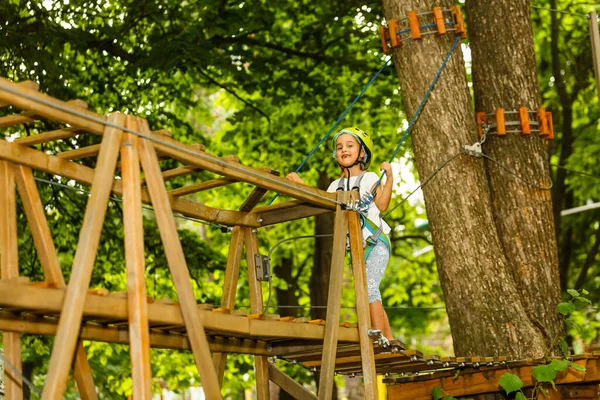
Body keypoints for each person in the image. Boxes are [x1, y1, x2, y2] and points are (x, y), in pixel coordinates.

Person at [287, 127, 394, 340]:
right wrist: (300, 186)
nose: (343, 149)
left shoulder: (369, 178)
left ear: (362, 153)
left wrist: (389, 177)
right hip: (355, 246)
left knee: (370, 286)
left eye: (350, 145)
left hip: (376, 242)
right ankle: (389, 338)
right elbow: (321, 202)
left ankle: (379, 336)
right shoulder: (335, 186)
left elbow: (382, 205)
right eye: (339, 147)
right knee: (367, 290)